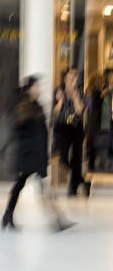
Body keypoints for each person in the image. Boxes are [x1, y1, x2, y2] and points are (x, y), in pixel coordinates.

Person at [2, 76, 74, 232]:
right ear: (30, 88)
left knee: (22, 185)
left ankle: (8, 217)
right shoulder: (23, 105)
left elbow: (45, 126)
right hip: (28, 154)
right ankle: (57, 220)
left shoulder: (36, 105)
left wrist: (59, 103)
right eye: (37, 86)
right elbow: (20, 130)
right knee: (34, 186)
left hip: (35, 154)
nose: (39, 89)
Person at [53, 69, 90, 197]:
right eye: (70, 78)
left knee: (77, 159)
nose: (72, 81)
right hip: (62, 128)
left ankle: (73, 189)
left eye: (74, 79)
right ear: (65, 79)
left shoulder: (80, 93)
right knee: (61, 156)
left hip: (76, 128)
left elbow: (80, 111)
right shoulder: (58, 92)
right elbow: (55, 112)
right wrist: (60, 101)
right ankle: (81, 180)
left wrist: (75, 97)